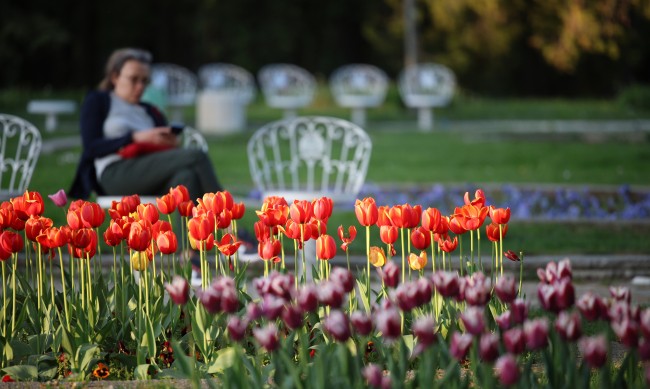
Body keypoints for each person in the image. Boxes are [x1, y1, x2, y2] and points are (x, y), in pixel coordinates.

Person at [69, 47, 223, 201]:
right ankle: (227, 220)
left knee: (186, 177)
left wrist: (169, 143)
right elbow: (91, 147)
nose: (140, 86)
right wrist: (135, 137)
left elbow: (165, 152)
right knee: (196, 155)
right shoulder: (98, 101)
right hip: (115, 173)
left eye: (144, 81)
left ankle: (191, 226)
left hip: (150, 173)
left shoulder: (150, 111)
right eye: (134, 79)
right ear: (115, 77)